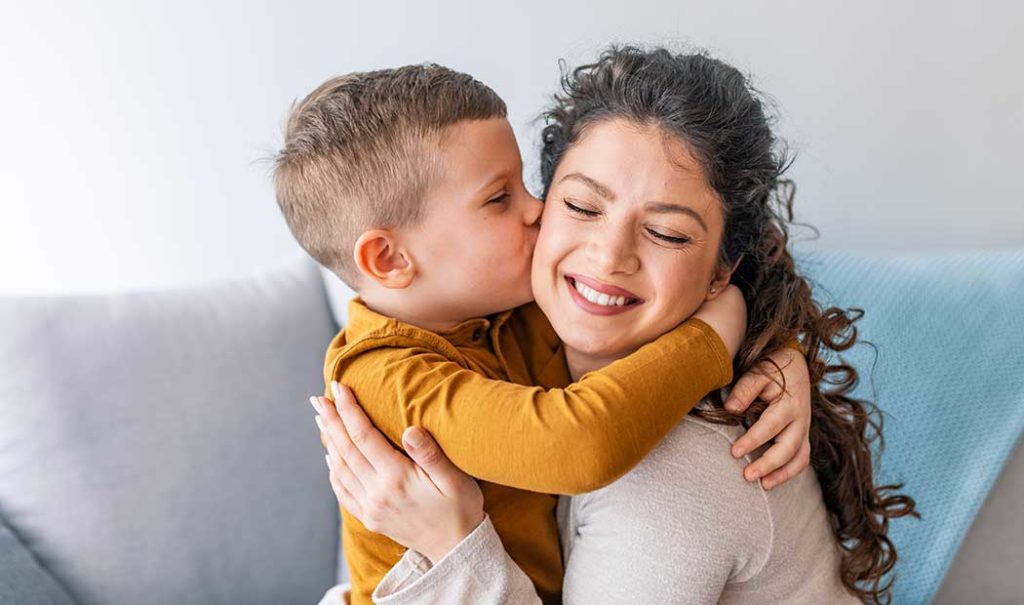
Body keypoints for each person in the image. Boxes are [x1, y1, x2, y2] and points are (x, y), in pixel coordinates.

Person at [316, 47, 918, 604]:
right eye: (579, 206)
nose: (608, 257)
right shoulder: (482, 328)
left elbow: (583, 441)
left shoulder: (679, 474)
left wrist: (453, 546)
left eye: (667, 232)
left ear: (721, 272)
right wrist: (744, 326)